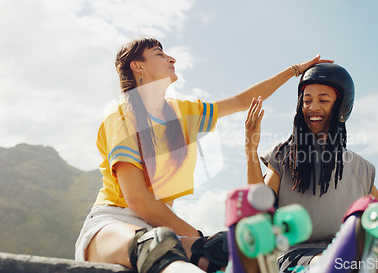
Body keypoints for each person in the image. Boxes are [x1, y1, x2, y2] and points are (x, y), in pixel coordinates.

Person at [74, 37, 333, 273]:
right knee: (158, 245)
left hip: (162, 231)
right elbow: (137, 200)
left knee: (227, 251)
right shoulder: (121, 114)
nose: (171, 59)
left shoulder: (183, 112)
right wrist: (197, 237)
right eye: (159, 54)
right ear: (138, 67)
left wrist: (294, 71)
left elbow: (243, 101)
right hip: (114, 225)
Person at [244, 63, 378, 273]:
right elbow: (259, 207)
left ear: (341, 107)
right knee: (340, 263)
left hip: (348, 257)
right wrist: (250, 147)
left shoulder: (360, 168)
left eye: (323, 100)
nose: (312, 107)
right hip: (294, 257)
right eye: (307, 100)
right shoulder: (283, 156)